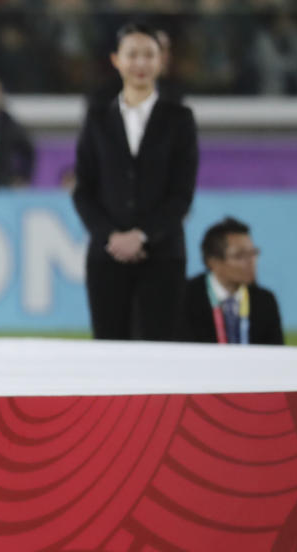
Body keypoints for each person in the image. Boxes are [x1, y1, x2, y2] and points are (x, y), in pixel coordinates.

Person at [72, 23, 198, 341]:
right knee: (109, 351)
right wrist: (111, 237)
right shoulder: (97, 118)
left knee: (162, 351)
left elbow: (181, 194)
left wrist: (142, 236)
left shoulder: (179, 119)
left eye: (148, 55)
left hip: (163, 256)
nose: (140, 63)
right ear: (116, 60)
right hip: (106, 257)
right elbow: (83, 188)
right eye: (132, 55)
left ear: (161, 61)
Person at [181, 217, 283, 345]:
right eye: (240, 255)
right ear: (213, 262)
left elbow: (276, 355)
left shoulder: (265, 301)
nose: (251, 262)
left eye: (253, 253)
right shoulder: (185, 297)